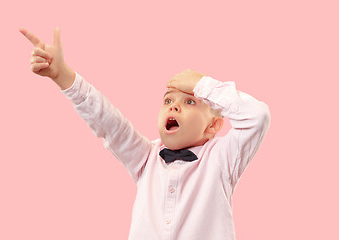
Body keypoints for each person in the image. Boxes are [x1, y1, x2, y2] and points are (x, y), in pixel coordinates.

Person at [20, 27, 271, 240]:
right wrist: (64, 76)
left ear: (213, 127)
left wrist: (201, 85)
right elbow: (109, 122)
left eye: (190, 102)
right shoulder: (146, 157)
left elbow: (257, 117)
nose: (173, 106)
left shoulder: (222, 158)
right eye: (168, 100)